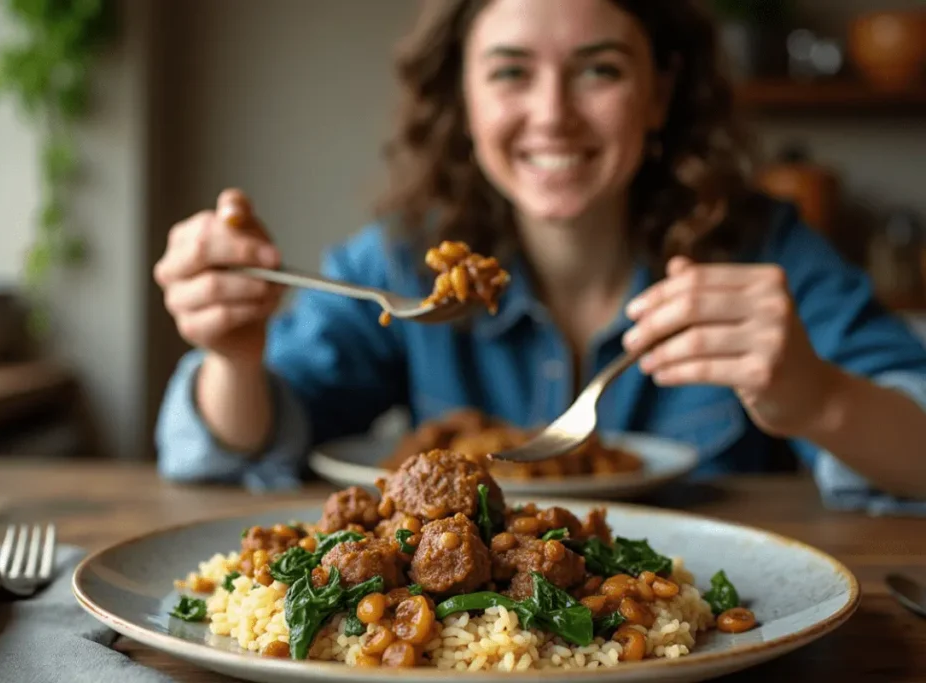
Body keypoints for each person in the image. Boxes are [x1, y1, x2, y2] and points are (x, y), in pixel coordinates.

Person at [152, 0, 926, 512]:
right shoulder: (398, 266)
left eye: (599, 69)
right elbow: (227, 452)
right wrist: (233, 356)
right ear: (465, 99)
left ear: (659, 93)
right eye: (511, 72)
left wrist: (816, 397)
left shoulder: (765, 250)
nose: (552, 114)